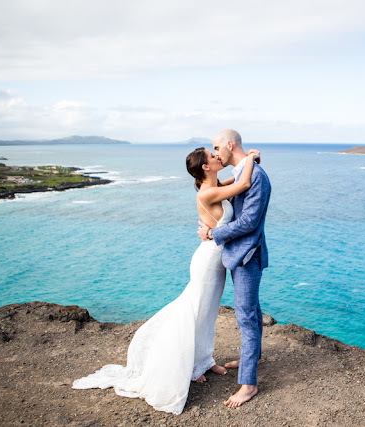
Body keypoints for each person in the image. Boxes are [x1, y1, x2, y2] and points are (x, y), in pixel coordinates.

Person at [72, 146, 260, 415]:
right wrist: (251, 158)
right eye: (212, 156)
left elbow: (236, 182)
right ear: (206, 167)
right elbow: (243, 182)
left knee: (206, 315)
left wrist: (244, 164)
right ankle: (182, 364)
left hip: (216, 261)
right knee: (194, 312)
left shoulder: (216, 184)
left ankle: (202, 361)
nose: (218, 157)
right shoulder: (208, 192)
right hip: (208, 262)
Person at [197, 129, 271, 408]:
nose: (216, 153)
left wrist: (213, 234)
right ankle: (254, 356)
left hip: (247, 255)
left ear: (230, 145)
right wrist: (252, 157)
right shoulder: (242, 172)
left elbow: (249, 222)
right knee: (252, 310)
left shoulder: (256, 177)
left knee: (246, 317)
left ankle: (248, 384)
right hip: (239, 253)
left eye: (218, 147)